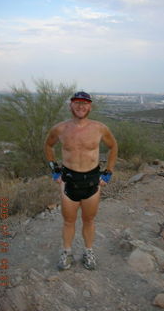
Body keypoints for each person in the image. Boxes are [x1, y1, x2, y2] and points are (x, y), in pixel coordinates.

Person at [44, 91, 118, 270]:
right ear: (71, 105)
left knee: (89, 220)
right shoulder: (60, 129)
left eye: (84, 103)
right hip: (69, 180)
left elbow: (113, 146)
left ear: (90, 106)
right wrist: (54, 171)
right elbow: (48, 145)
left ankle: (88, 251)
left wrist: (108, 172)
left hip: (92, 180)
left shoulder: (100, 128)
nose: (80, 106)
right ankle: (67, 252)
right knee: (69, 221)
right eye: (77, 102)